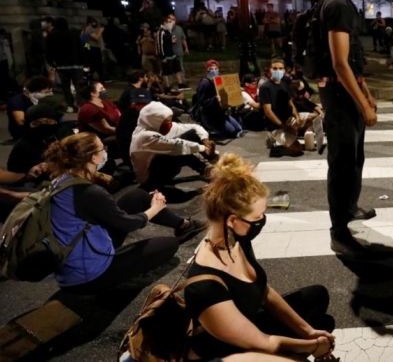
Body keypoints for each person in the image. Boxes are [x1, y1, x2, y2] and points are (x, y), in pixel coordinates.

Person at [184, 154, 336, 361]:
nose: (262, 221)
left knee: (317, 297)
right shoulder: (204, 287)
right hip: (226, 353)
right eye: (257, 218)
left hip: (250, 326)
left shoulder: (237, 240)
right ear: (232, 220)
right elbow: (265, 343)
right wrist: (314, 346)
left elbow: (263, 292)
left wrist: (308, 331)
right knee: (319, 333)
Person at [45, 132, 206, 294]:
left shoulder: (60, 182)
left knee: (137, 196)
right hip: (87, 277)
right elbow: (129, 223)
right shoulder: (89, 192)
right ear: (93, 158)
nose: (105, 151)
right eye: (102, 148)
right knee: (169, 244)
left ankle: (184, 225)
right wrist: (155, 208)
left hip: (75, 255)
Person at [318, 0, 380, 258]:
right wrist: (363, 104)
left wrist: (366, 93)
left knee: (354, 162)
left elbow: (353, 60)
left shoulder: (344, 4)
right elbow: (340, 65)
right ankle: (338, 233)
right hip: (341, 100)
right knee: (341, 167)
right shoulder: (337, 5)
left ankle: (350, 210)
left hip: (348, 96)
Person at [130, 102, 218, 192]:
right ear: (156, 121)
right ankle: (208, 171)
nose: (170, 124)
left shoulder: (156, 126)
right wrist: (203, 148)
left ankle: (209, 167)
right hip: (149, 179)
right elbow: (178, 146)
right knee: (180, 148)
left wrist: (205, 140)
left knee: (189, 136)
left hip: (160, 164)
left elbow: (195, 127)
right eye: (166, 122)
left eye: (170, 120)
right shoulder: (144, 136)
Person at [260, 60, 320, 157]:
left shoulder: (284, 82)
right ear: (269, 70)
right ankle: (276, 144)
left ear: (284, 70)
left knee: (315, 117)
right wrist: (285, 127)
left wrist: (297, 117)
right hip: (276, 125)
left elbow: (290, 102)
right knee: (297, 150)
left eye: (280, 68)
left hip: (288, 119)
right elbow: (268, 112)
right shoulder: (265, 87)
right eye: (275, 68)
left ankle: (292, 135)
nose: (278, 71)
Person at [195, 60, 244, 138]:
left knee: (239, 129)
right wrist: (214, 99)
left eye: (216, 68)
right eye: (211, 69)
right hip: (210, 115)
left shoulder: (220, 81)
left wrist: (236, 90)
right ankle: (207, 127)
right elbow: (202, 103)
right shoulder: (205, 83)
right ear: (207, 70)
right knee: (232, 133)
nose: (214, 71)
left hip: (221, 113)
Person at [6, 76, 54, 140]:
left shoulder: (42, 100)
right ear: (34, 91)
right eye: (46, 92)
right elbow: (21, 122)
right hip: (23, 132)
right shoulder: (16, 101)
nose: (48, 94)